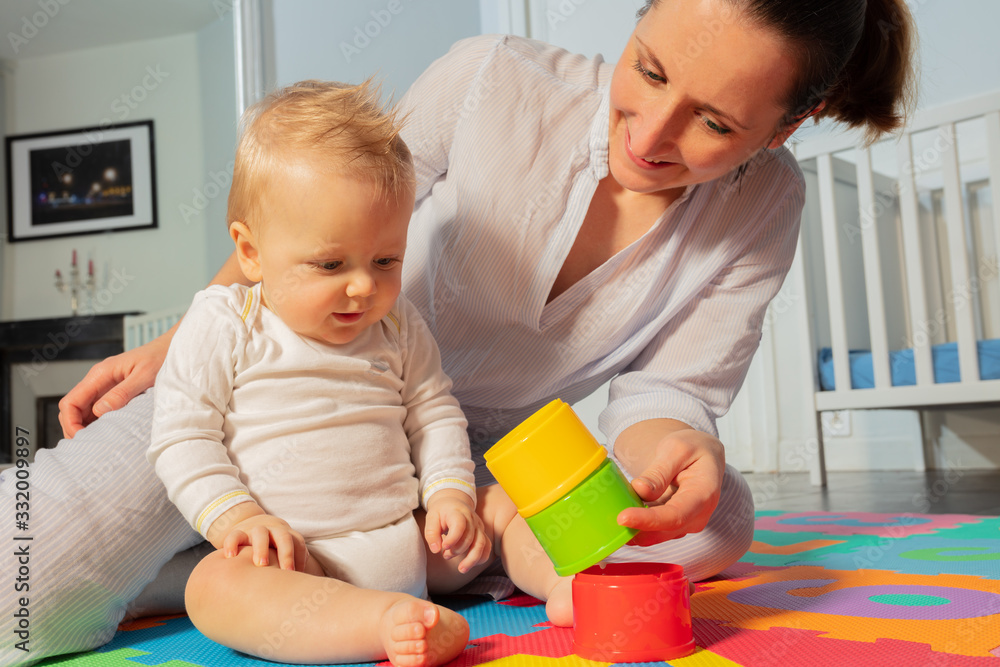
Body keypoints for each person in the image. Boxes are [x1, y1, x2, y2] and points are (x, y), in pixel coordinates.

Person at [1, 0, 916, 664]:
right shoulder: (493, 79)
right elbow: (313, 214)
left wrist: (677, 450)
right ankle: (207, 558)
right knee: (19, 592)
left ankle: (312, 563)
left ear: (795, 123)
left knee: (724, 518)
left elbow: (669, 391)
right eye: (649, 68)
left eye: (715, 122)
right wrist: (178, 346)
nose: (651, 135)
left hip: (469, 462)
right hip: (277, 401)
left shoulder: (767, 205)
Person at [147, 78, 493, 665]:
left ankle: (569, 587)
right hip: (297, 562)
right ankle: (384, 623)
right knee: (211, 586)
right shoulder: (228, 321)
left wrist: (449, 497)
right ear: (250, 253)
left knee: (500, 507)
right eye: (331, 263)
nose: (364, 286)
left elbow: (434, 413)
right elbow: (182, 437)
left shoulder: (399, 325)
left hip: (414, 541)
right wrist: (239, 517)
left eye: (386, 260)